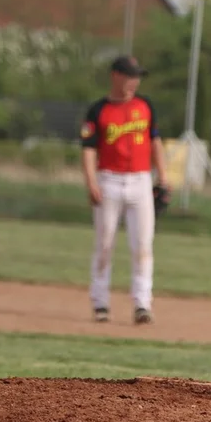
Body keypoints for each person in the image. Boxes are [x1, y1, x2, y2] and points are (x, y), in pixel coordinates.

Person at [80, 55, 169, 325]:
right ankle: (100, 303)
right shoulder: (98, 110)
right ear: (115, 75)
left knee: (142, 245)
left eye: (137, 76)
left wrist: (163, 177)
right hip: (108, 180)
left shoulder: (145, 106)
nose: (134, 80)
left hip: (140, 181)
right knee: (104, 244)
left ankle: (143, 304)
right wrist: (91, 182)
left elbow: (155, 143)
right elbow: (88, 149)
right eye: (129, 75)